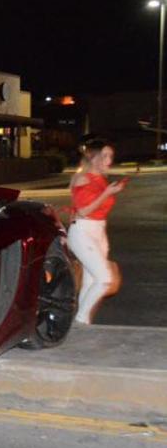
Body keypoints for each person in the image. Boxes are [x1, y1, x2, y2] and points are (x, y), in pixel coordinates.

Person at [67, 139, 126, 324]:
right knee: (105, 279)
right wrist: (107, 193)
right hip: (83, 232)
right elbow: (84, 210)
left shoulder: (101, 179)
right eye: (105, 156)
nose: (109, 160)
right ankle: (80, 319)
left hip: (99, 231)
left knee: (91, 281)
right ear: (93, 158)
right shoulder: (82, 178)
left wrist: (110, 191)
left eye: (111, 156)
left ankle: (82, 324)